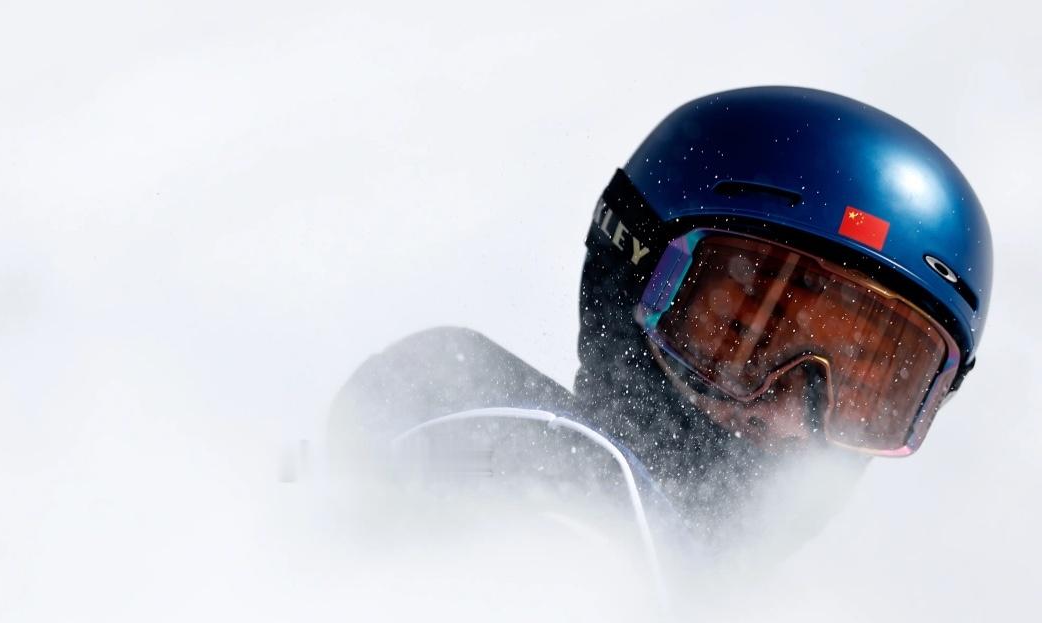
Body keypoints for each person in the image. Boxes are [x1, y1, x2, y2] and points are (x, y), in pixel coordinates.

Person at [327, 86, 993, 553]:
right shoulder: (507, 451)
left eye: (864, 391)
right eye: (741, 336)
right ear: (628, 268)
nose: (787, 415)